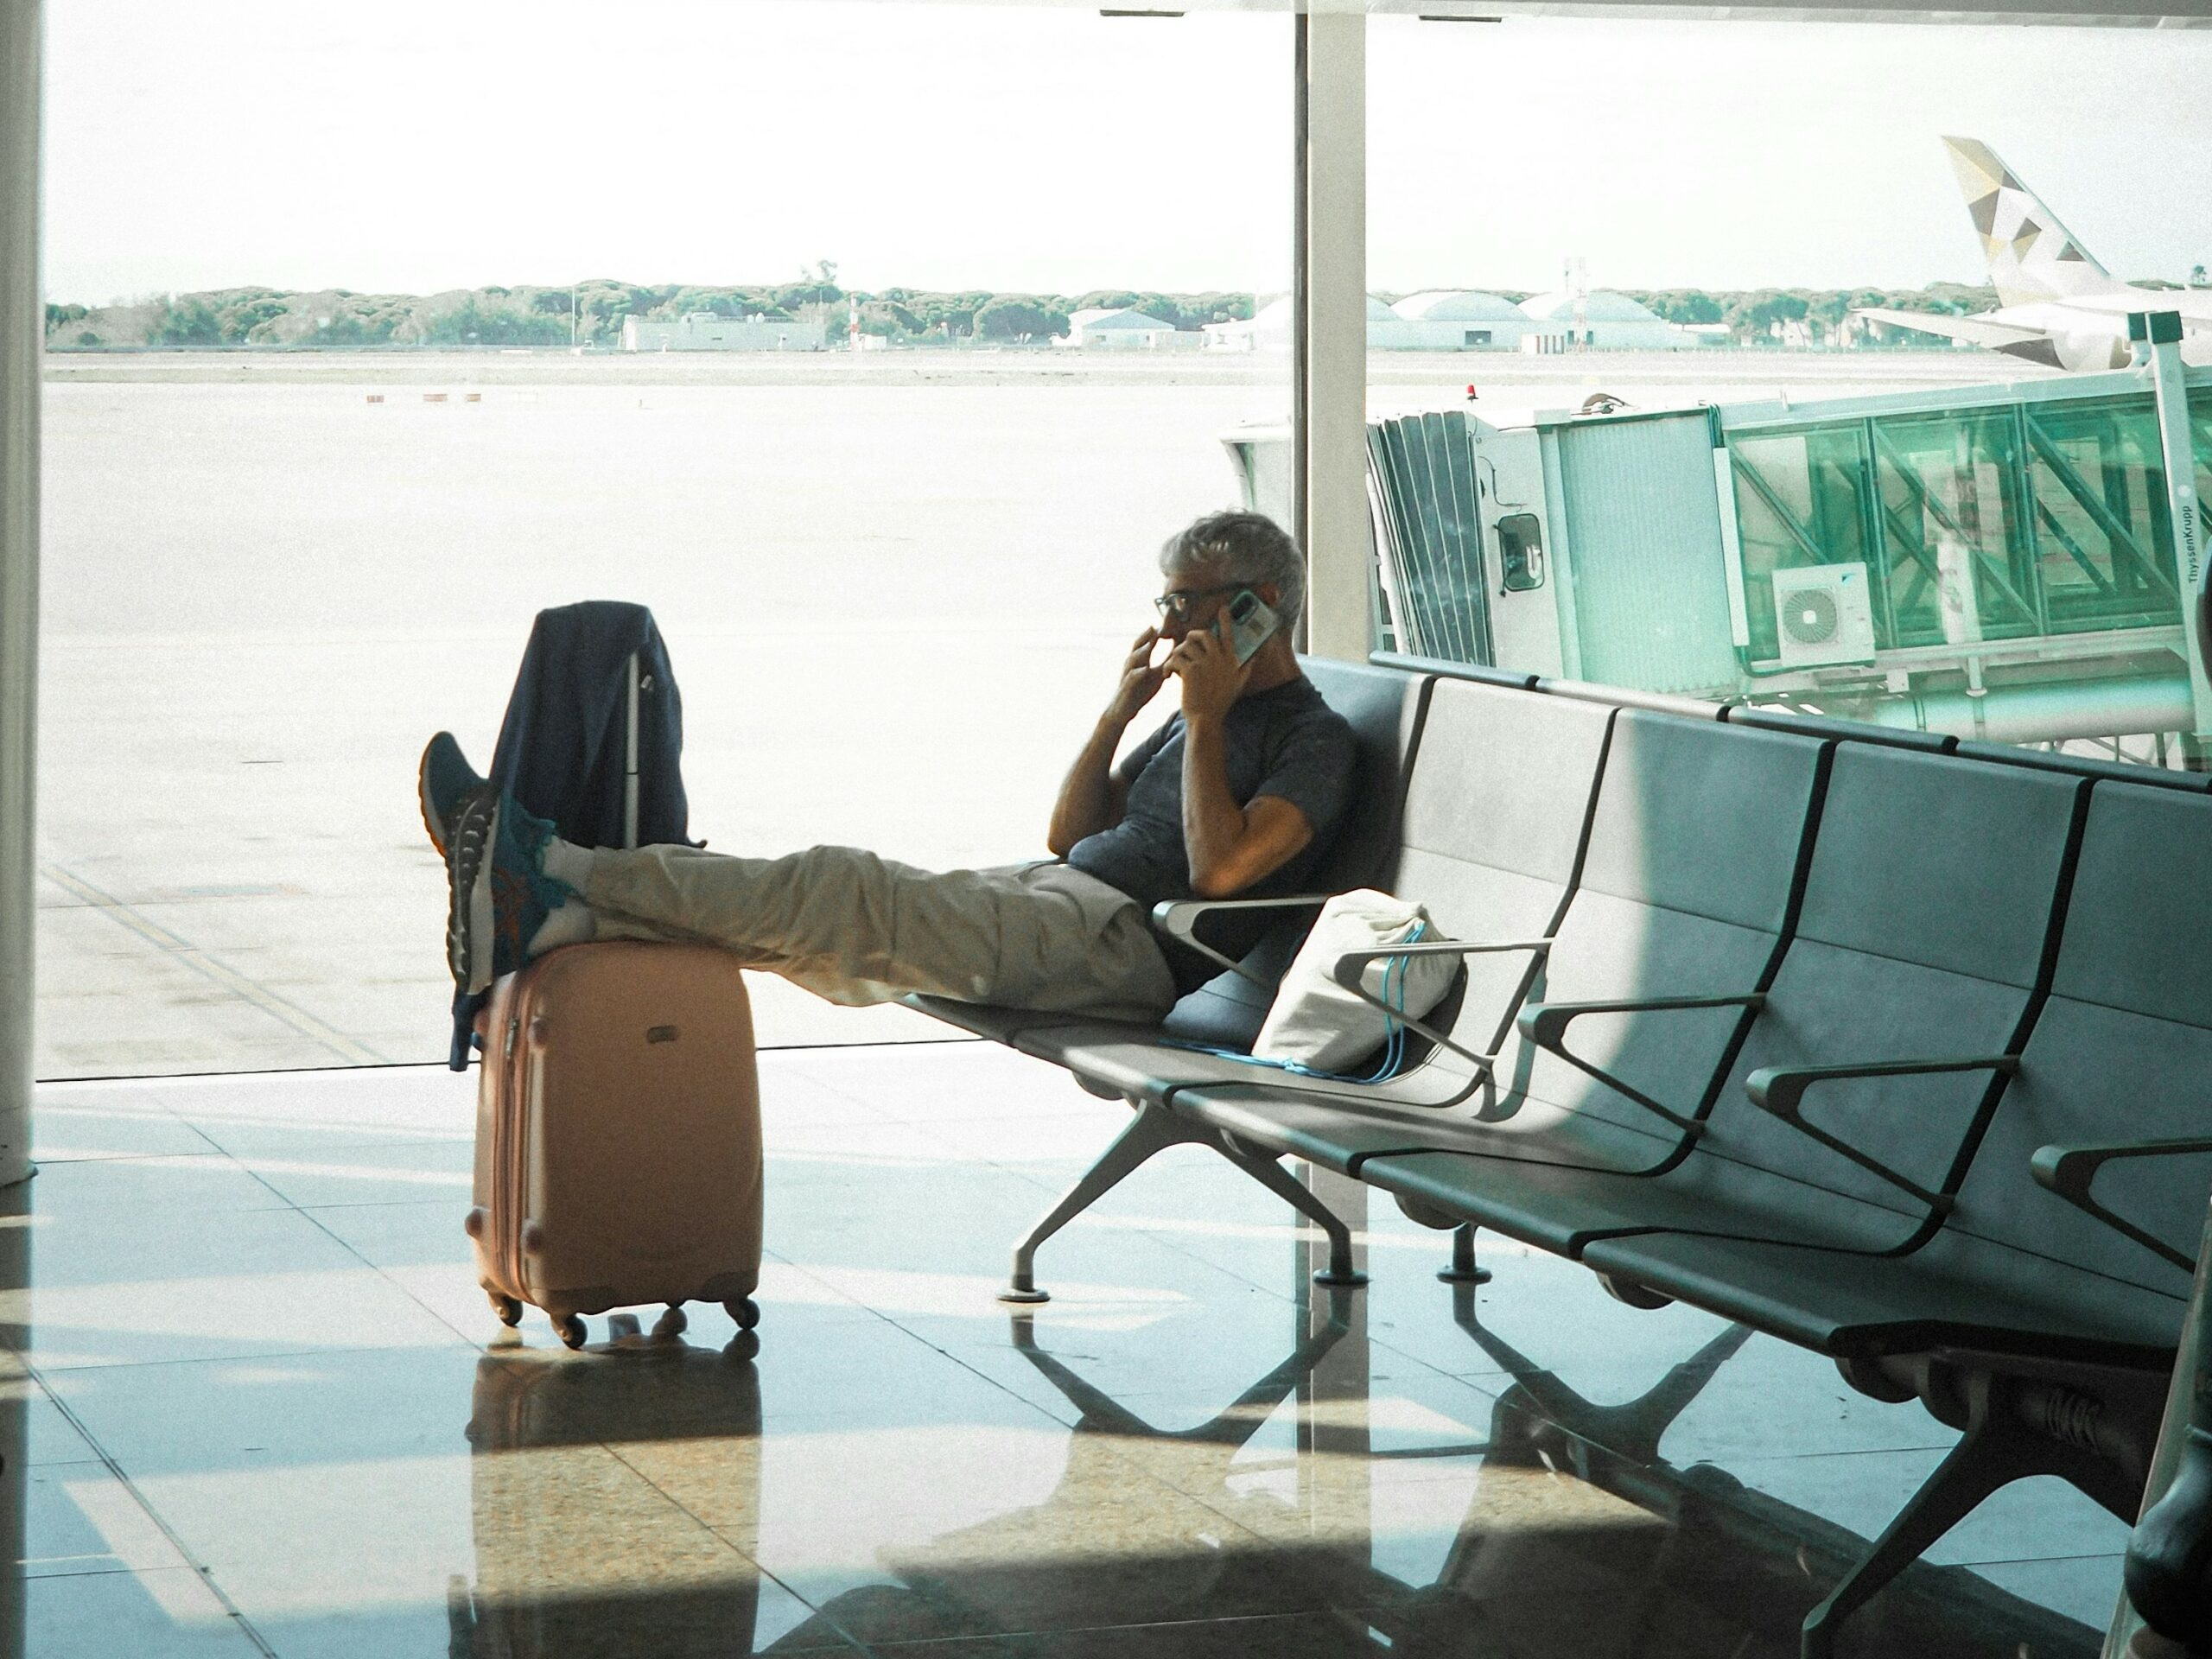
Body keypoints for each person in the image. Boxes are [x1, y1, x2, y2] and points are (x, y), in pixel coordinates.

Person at [419, 510, 1357, 1024]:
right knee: (826, 935)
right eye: (1166, 602)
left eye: (1188, 602)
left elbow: (1221, 874)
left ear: (1259, 603)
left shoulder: (1312, 740)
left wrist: (1203, 719)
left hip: (1125, 948)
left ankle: (548, 863)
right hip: (1058, 897)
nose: (1171, 623)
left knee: (842, 887)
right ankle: (557, 920)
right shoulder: (1202, 714)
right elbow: (1070, 834)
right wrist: (1120, 715)